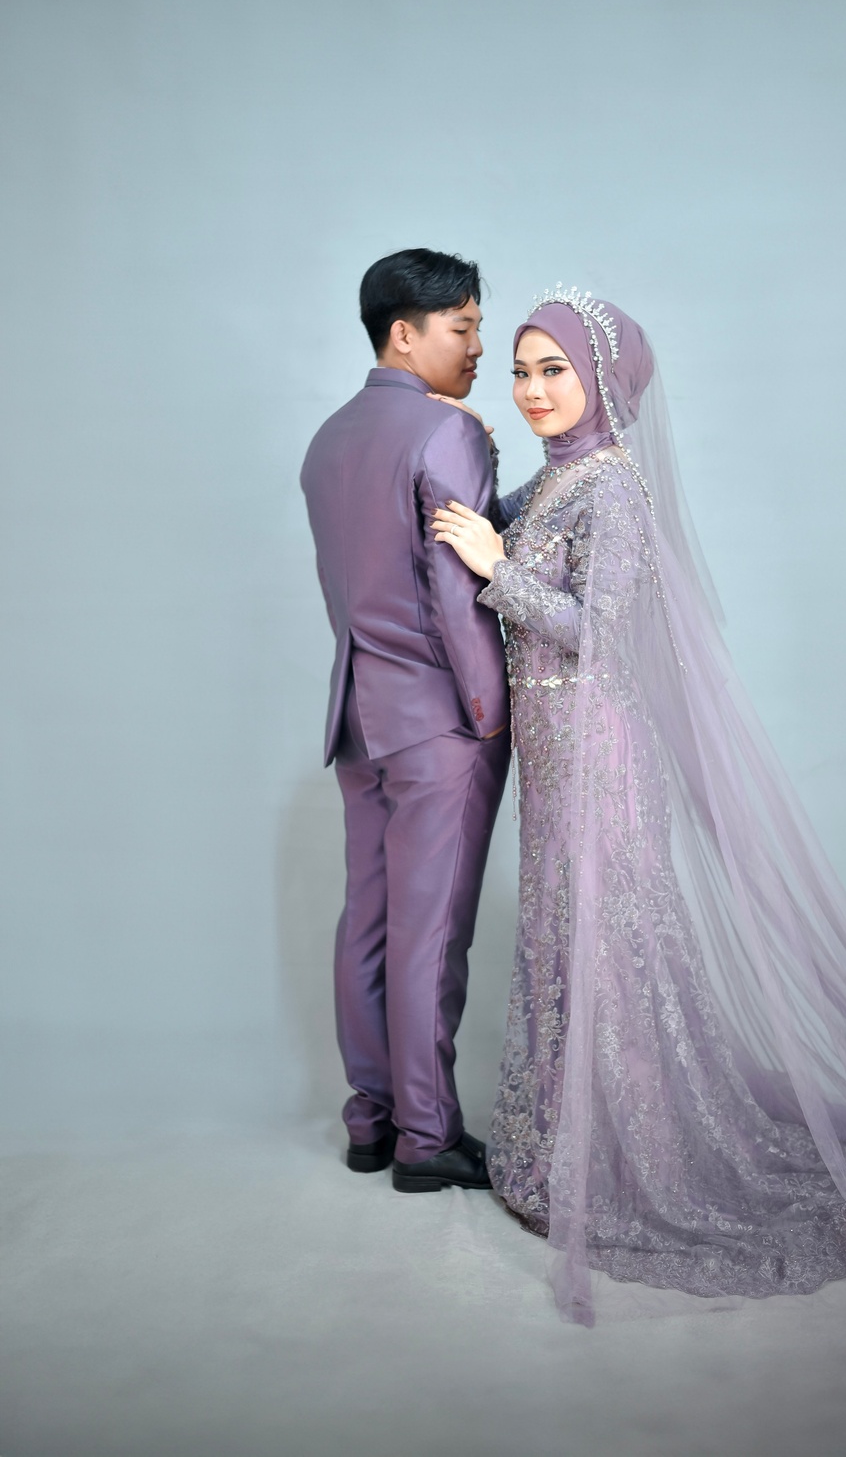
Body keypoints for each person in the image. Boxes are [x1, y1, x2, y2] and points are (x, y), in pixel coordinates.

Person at [431, 286, 846, 1323]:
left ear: (603, 380)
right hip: (552, 752)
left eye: (554, 371)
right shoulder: (558, 478)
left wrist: (495, 570)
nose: (533, 390)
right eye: (519, 371)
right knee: (560, 929)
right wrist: (468, 453)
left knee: (607, 936)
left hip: (597, 748)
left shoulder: (611, 486)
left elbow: (599, 631)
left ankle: (635, 1154)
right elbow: (506, 532)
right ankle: (563, 1142)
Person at [300, 248, 510, 1193]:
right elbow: (457, 596)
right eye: (462, 328)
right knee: (431, 933)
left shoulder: (328, 438)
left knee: (371, 925)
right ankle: (428, 1139)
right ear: (403, 333)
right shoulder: (446, 432)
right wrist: (489, 714)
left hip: (357, 716)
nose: (477, 348)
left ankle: (372, 1121)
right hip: (438, 720)